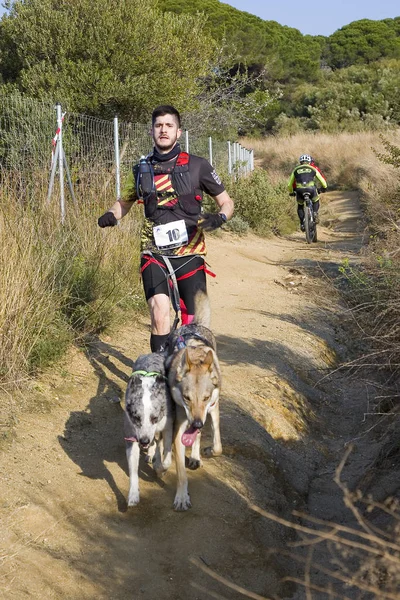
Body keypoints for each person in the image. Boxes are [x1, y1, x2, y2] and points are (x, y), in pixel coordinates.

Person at [98, 105, 234, 352]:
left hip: (190, 253)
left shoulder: (198, 166)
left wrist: (220, 217)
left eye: (169, 125)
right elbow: (125, 202)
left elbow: (227, 201)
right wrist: (112, 214)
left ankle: (186, 378)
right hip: (153, 252)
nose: (163, 130)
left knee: (193, 325)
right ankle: (161, 374)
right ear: (151, 131)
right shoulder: (140, 169)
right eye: (158, 125)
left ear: (178, 132)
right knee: (159, 313)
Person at [287, 154, 327, 231]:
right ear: (309, 162)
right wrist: (324, 188)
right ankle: (315, 213)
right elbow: (322, 180)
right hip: (311, 189)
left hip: (299, 190)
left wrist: (291, 192)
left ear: (300, 162)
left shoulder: (296, 169)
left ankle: (302, 223)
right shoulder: (313, 168)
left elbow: (289, 184)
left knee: (300, 205)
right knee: (315, 200)